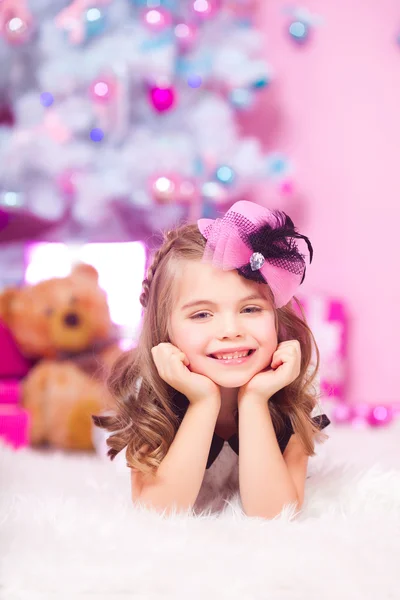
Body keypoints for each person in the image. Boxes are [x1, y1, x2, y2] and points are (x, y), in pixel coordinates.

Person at [92, 200, 330, 519]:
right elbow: (158, 513)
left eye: (250, 309)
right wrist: (203, 402)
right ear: (165, 330)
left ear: (277, 319)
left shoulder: (291, 400)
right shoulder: (150, 400)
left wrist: (255, 400)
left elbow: (275, 515)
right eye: (202, 314)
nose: (230, 331)